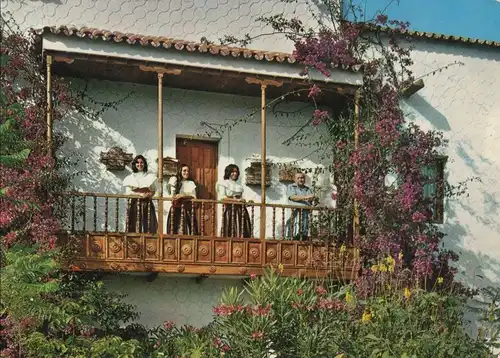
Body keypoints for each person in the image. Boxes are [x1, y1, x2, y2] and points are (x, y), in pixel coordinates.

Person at [123, 155, 158, 233]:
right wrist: (140, 195)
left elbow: (153, 190)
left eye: (142, 162)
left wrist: (149, 194)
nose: (139, 164)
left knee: (148, 225)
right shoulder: (130, 178)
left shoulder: (149, 176)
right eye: (137, 162)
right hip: (135, 204)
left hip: (147, 204)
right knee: (135, 224)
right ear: (134, 164)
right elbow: (128, 192)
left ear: (144, 164)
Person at [217, 164, 252, 238]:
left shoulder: (239, 186)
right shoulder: (223, 183)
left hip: (241, 211)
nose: (235, 173)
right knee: (230, 230)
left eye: (236, 172)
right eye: (233, 172)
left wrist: (248, 203)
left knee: (242, 230)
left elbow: (241, 200)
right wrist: (237, 200)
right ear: (228, 172)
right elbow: (223, 198)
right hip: (230, 210)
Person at [166, 164, 198, 235]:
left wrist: (183, 195)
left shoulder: (191, 183)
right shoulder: (176, 181)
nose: (186, 172)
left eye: (188, 171)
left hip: (187, 210)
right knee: (175, 230)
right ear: (180, 171)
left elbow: (194, 196)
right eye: (184, 171)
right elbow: (171, 194)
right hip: (176, 209)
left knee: (188, 231)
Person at [286, 172, 317, 240]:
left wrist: (313, 199)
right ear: (294, 179)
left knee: (304, 227)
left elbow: (311, 199)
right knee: (292, 226)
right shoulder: (291, 187)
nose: (300, 179)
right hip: (294, 210)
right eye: (298, 178)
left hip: (305, 211)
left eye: (302, 178)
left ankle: (303, 239)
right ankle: (289, 239)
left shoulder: (307, 189)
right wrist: (306, 197)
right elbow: (293, 197)